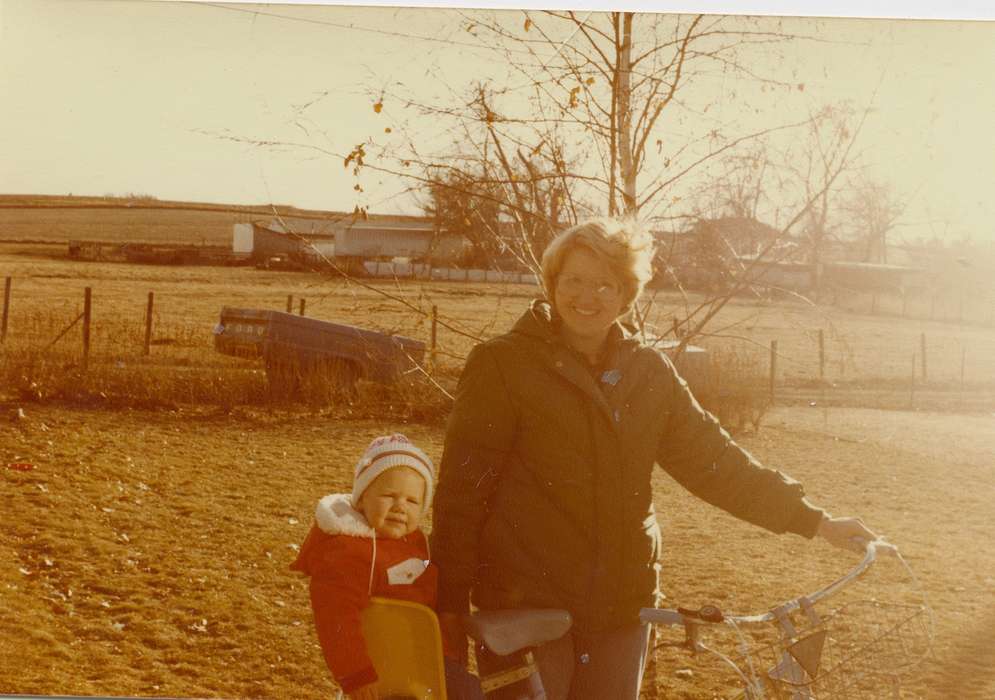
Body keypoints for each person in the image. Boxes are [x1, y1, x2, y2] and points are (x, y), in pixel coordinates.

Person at [430, 218, 878, 700]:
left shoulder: (649, 372)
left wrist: (815, 520)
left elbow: (717, 463)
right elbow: (462, 495)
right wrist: (449, 606)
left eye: (605, 283)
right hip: (526, 612)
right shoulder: (502, 365)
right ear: (552, 284)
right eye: (574, 279)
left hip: (622, 609)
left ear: (627, 295)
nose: (587, 296)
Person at [291, 433, 483, 700]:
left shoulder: (415, 543)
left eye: (412, 501)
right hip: (387, 667)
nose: (400, 507)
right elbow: (336, 617)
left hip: (424, 659)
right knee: (470, 694)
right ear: (362, 499)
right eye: (389, 496)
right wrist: (356, 675)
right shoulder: (349, 552)